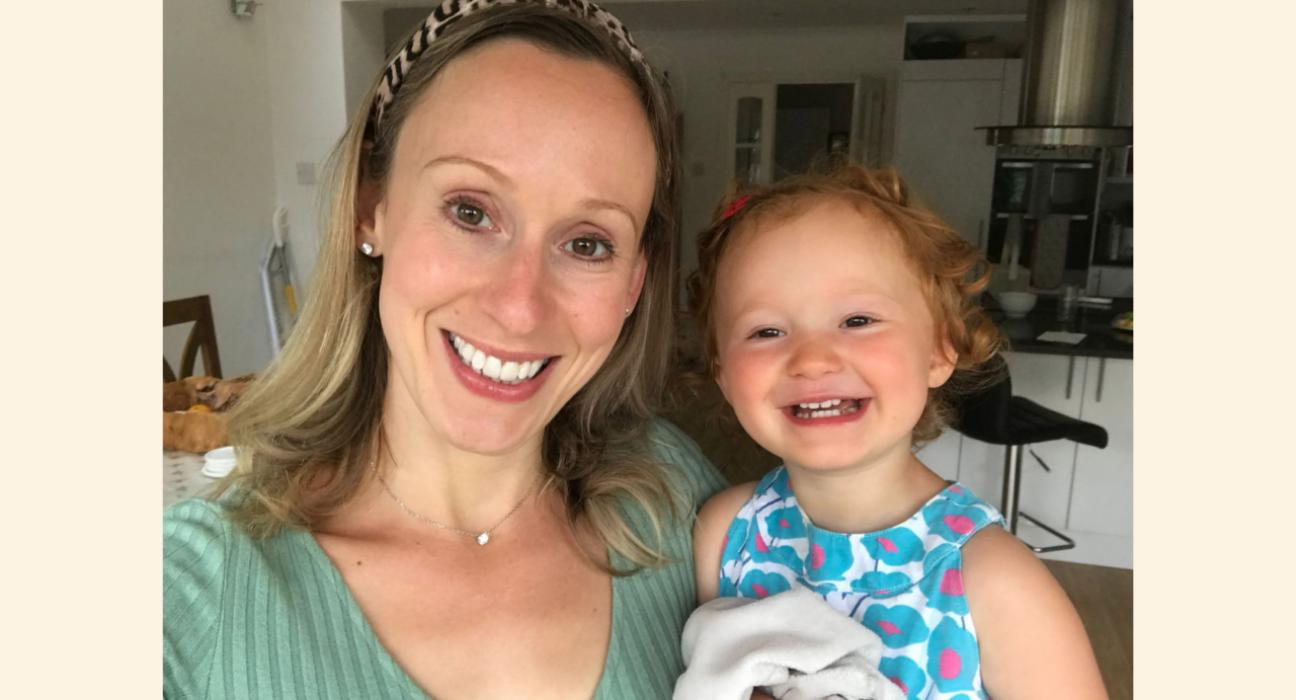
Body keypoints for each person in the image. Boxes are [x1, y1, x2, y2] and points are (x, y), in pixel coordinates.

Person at [163, 2, 727, 698]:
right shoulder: (191, 591)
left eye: (588, 243)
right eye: (471, 211)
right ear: (373, 208)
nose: (519, 308)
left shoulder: (676, 500)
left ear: (636, 281)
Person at [686, 165, 1108, 699]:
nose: (812, 360)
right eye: (766, 331)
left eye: (858, 320)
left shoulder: (995, 580)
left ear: (940, 349)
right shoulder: (726, 535)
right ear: (723, 372)